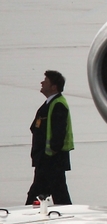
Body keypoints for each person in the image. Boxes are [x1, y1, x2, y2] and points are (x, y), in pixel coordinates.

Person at [25, 70, 74, 205]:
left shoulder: (58, 105)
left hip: (51, 161)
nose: (42, 83)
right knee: (58, 195)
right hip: (47, 161)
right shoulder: (49, 104)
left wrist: (49, 154)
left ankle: (24, 219)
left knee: (37, 196)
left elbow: (59, 134)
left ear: (53, 87)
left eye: (45, 81)